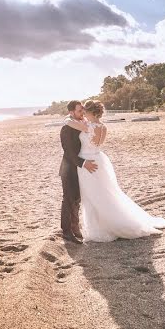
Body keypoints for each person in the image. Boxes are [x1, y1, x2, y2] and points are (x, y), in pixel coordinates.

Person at [64, 100, 165, 241]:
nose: (83, 113)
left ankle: (100, 227)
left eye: (85, 111)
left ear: (90, 112)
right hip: (99, 159)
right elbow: (97, 144)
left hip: (88, 162)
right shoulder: (103, 127)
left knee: (92, 195)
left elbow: (68, 123)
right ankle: (107, 222)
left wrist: (68, 116)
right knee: (105, 192)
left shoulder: (88, 126)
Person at [59, 100, 98, 244]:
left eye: (83, 110)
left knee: (77, 200)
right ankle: (66, 232)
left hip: (80, 170)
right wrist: (83, 163)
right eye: (79, 111)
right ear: (71, 112)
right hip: (69, 169)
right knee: (68, 200)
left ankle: (75, 228)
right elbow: (68, 152)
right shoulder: (67, 128)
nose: (82, 113)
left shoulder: (80, 124)